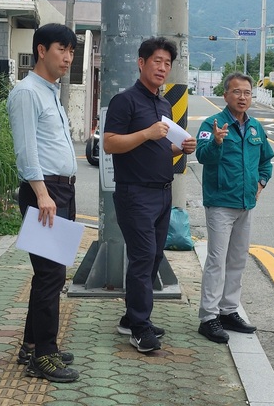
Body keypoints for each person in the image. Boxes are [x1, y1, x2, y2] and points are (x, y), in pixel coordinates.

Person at [103, 37, 197, 353]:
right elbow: (110, 143)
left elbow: (157, 146)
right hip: (135, 194)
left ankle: (132, 318)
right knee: (143, 258)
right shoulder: (125, 101)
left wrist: (178, 147)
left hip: (161, 193)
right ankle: (140, 328)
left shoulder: (164, 103)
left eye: (167, 63)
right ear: (141, 62)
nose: (162, 67)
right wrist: (147, 132)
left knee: (154, 257)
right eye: (156, 61)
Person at [7, 23, 79, 382]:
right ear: (41, 50)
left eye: (70, 51)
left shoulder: (49, 90)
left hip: (60, 192)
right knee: (51, 276)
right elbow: (27, 150)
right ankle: (44, 356)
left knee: (50, 275)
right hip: (45, 192)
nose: (67, 58)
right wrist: (42, 194)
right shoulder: (26, 92)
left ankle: (32, 345)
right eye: (61, 50)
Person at [196, 72, 274, 343]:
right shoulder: (211, 123)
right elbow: (202, 155)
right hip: (220, 203)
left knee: (238, 260)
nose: (243, 97)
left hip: (245, 204)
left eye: (247, 93)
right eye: (237, 92)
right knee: (217, 260)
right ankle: (208, 317)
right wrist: (217, 142)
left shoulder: (255, 128)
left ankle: (228, 310)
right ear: (226, 95)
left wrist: (261, 182)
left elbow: (266, 161)